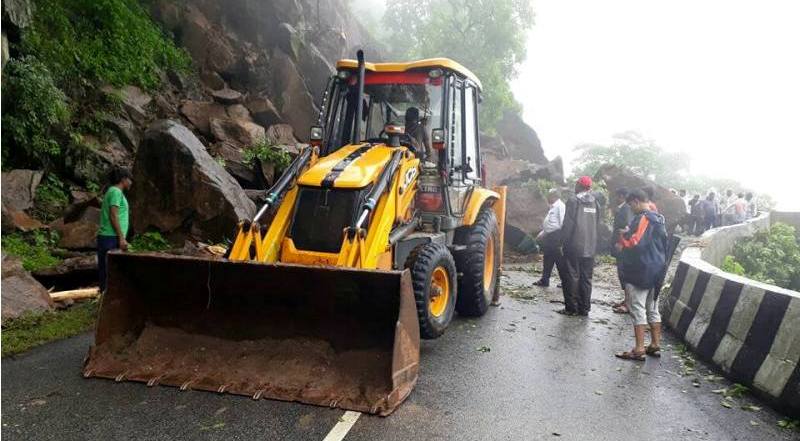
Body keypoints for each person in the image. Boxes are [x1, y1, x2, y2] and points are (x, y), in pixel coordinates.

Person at [614, 189, 668, 361]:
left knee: (637, 308)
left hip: (641, 270)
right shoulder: (659, 219)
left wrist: (623, 239)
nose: (631, 209)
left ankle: (638, 349)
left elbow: (635, 243)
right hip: (657, 269)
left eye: (631, 205)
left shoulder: (644, 218)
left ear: (636, 201)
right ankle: (654, 344)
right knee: (653, 307)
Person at [557, 176, 600, 316]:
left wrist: (562, 242)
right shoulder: (596, 203)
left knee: (572, 276)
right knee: (586, 278)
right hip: (590, 246)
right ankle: (584, 308)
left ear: (578, 185)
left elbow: (568, 225)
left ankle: (571, 308)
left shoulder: (573, 201)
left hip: (574, 245)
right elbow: (597, 225)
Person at [97, 168, 133, 293]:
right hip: (110, 237)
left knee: (109, 269)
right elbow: (114, 215)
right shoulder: (116, 192)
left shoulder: (114, 192)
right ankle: (106, 299)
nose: (131, 182)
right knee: (109, 270)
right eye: (130, 179)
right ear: (123, 179)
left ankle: (107, 297)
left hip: (111, 236)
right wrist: (121, 238)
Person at [534, 189, 566, 287]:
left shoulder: (560, 206)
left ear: (553, 196)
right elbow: (551, 223)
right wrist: (543, 233)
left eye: (548, 196)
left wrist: (561, 239)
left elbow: (562, 223)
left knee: (559, 260)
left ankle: (565, 282)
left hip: (556, 236)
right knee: (548, 258)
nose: (547, 198)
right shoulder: (553, 207)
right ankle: (545, 280)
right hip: (550, 236)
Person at [611, 188, 634, 314]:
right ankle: (626, 300)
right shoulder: (623, 208)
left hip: (623, 246)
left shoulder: (626, 209)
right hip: (621, 245)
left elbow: (626, 227)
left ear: (621, 196)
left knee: (623, 273)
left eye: (617, 196)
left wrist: (620, 242)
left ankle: (628, 303)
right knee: (622, 273)